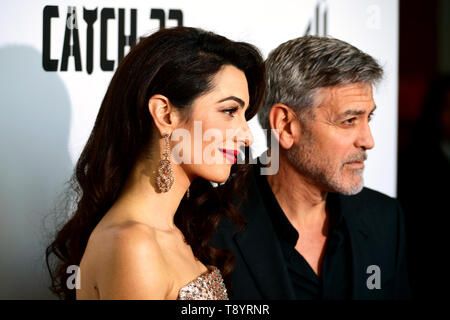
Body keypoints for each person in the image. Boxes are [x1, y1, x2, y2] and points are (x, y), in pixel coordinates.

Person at [45, 27, 265, 300]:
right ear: (165, 114)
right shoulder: (133, 245)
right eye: (230, 111)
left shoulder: (176, 231)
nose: (247, 136)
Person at [212, 35, 411, 299]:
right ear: (285, 125)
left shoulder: (384, 219)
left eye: (368, 118)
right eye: (349, 120)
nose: (368, 141)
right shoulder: (209, 225)